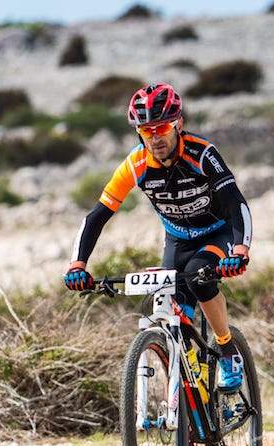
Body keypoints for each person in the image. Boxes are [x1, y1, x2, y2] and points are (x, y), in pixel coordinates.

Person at [64, 83, 253, 392]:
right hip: (177, 239)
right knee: (175, 311)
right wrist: (77, 264)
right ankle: (191, 397)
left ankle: (228, 350)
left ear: (178, 123)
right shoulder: (136, 164)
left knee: (197, 278)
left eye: (162, 127)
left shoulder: (202, 154)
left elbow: (237, 203)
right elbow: (97, 216)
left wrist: (241, 249)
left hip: (218, 231)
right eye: (146, 130)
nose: (155, 136)